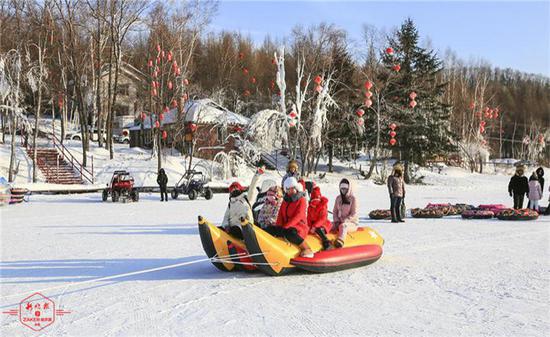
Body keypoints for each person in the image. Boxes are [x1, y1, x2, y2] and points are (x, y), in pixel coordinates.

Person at [265, 177, 313, 258]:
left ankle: (307, 248)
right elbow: (280, 215)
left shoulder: (301, 200)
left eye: (292, 188)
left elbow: (299, 215)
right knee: (270, 229)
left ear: (295, 188)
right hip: (286, 226)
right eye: (288, 189)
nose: (290, 191)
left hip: (299, 227)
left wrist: (286, 227)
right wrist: (279, 227)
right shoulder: (285, 201)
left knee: (290, 233)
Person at [221, 168, 263, 239]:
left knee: (235, 230)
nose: (234, 190)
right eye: (232, 189)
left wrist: (257, 175)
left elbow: (252, 187)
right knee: (220, 229)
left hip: (244, 228)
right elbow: (225, 218)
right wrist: (225, 226)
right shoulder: (230, 203)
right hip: (232, 227)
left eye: (236, 188)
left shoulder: (246, 199)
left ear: (240, 189)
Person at [332, 178, 358, 248]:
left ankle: (340, 240)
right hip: (339, 221)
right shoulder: (338, 198)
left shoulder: (353, 199)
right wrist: (336, 220)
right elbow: (335, 211)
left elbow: (354, 213)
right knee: (330, 225)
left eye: (345, 189)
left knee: (343, 226)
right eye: (342, 188)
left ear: (349, 188)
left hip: (351, 223)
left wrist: (344, 220)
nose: (343, 190)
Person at [307, 185, 332, 250]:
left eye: (316, 201)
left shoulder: (322, 207)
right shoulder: (310, 207)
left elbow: (323, 219)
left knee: (319, 229)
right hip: (313, 225)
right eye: (313, 201)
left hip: (323, 225)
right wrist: (309, 227)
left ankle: (326, 242)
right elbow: (308, 218)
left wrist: (314, 226)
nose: (314, 204)